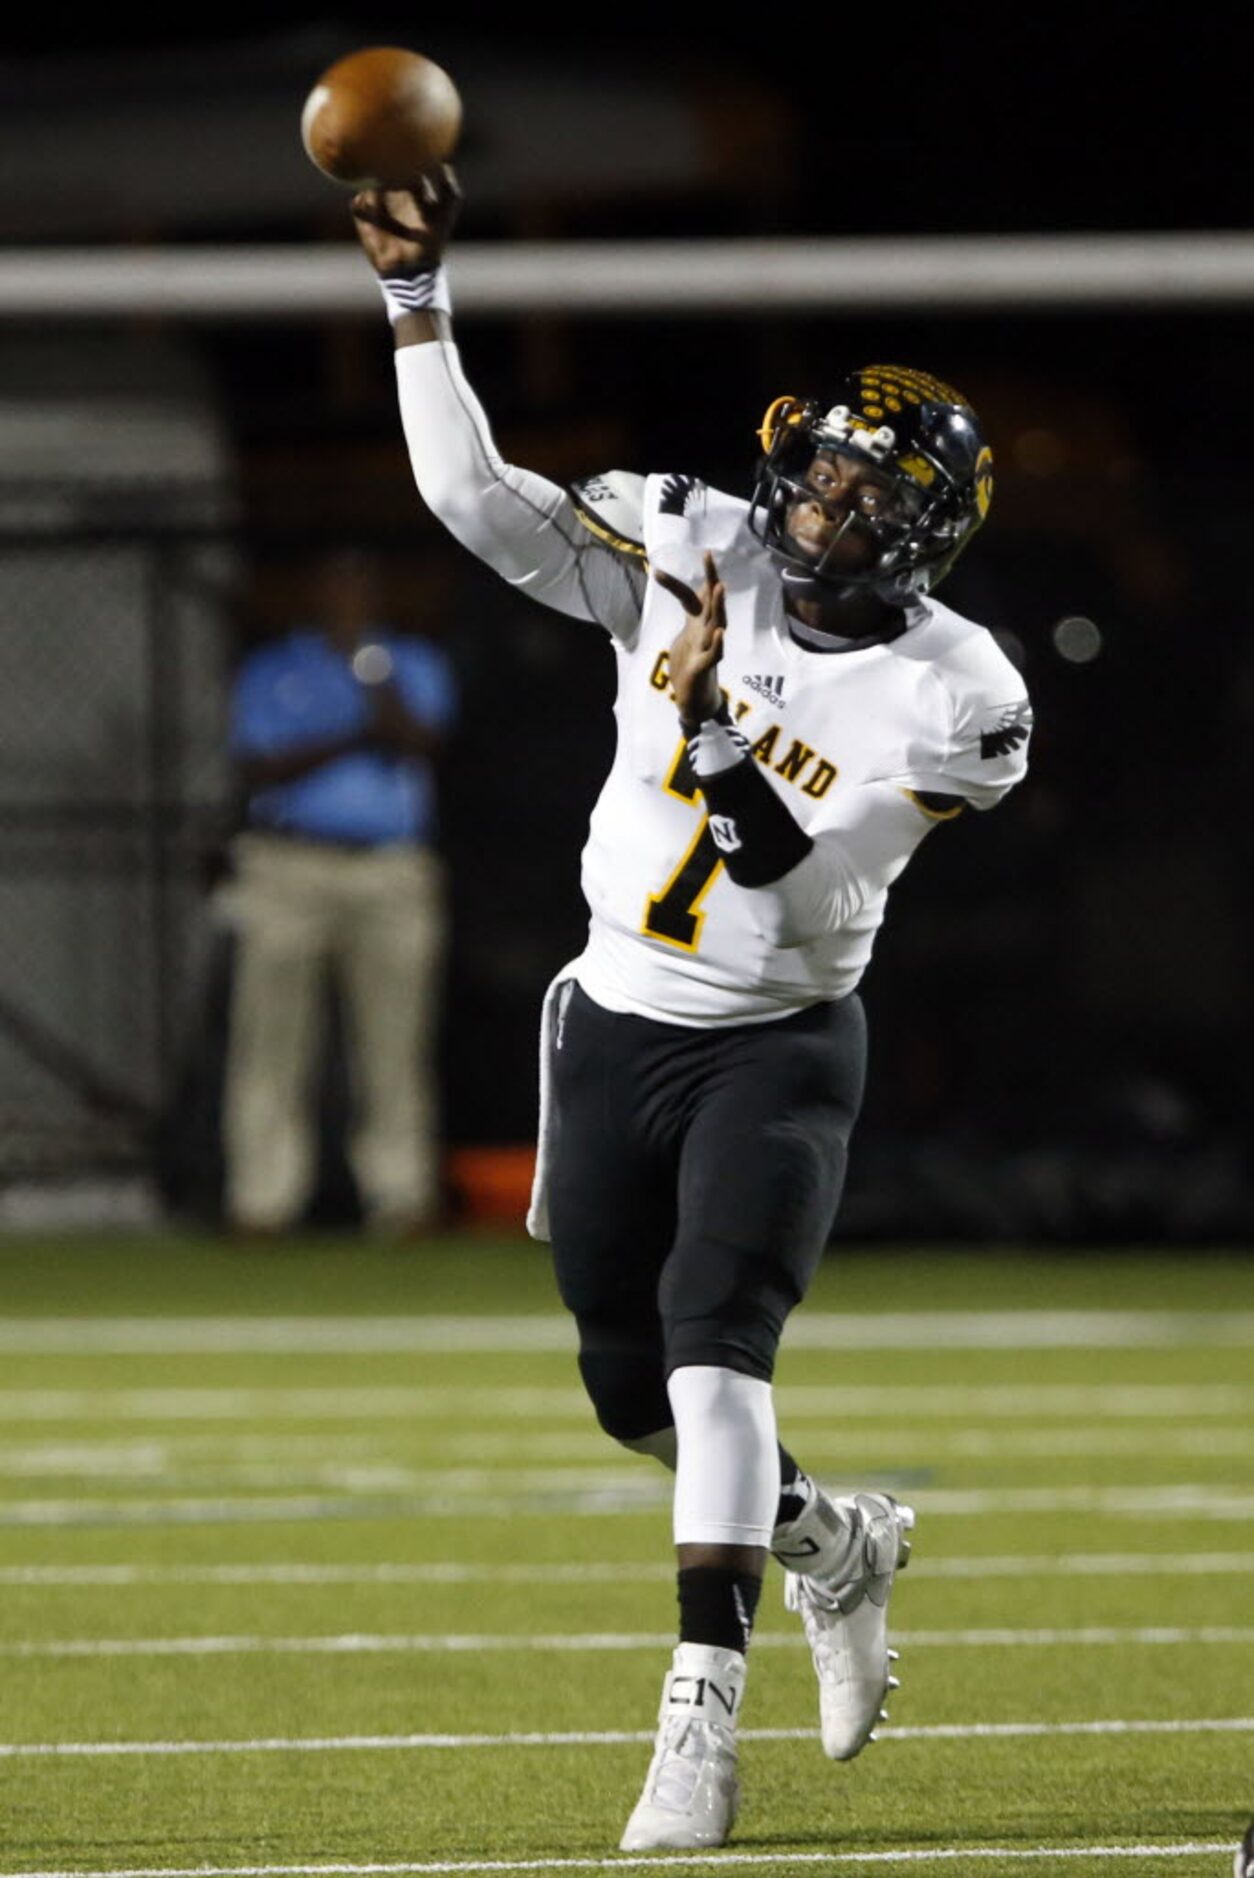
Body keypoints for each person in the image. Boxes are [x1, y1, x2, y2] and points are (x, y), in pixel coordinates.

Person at [350, 170, 1031, 1851]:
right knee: (624, 1389)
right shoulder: (686, 537)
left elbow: (796, 887)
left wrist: (717, 720)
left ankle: (696, 1722)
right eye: (818, 477)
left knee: (718, 1344)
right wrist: (415, 300)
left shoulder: (963, 693)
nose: (818, 513)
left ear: (926, 536)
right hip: (610, 1018)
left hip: (775, 1036)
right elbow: (469, 498)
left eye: (870, 502)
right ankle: (833, 1542)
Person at [219, 547, 457, 1237]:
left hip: (391, 870)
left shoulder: (407, 661)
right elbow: (259, 764)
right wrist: (357, 732)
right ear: (314, 594)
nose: (349, 600)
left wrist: (374, 678)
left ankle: (401, 1199)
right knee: (271, 1040)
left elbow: (421, 740)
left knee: (393, 1043)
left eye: (362, 587)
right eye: (337, 586)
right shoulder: (276, 668)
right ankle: (262, 1201)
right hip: (289, 865)